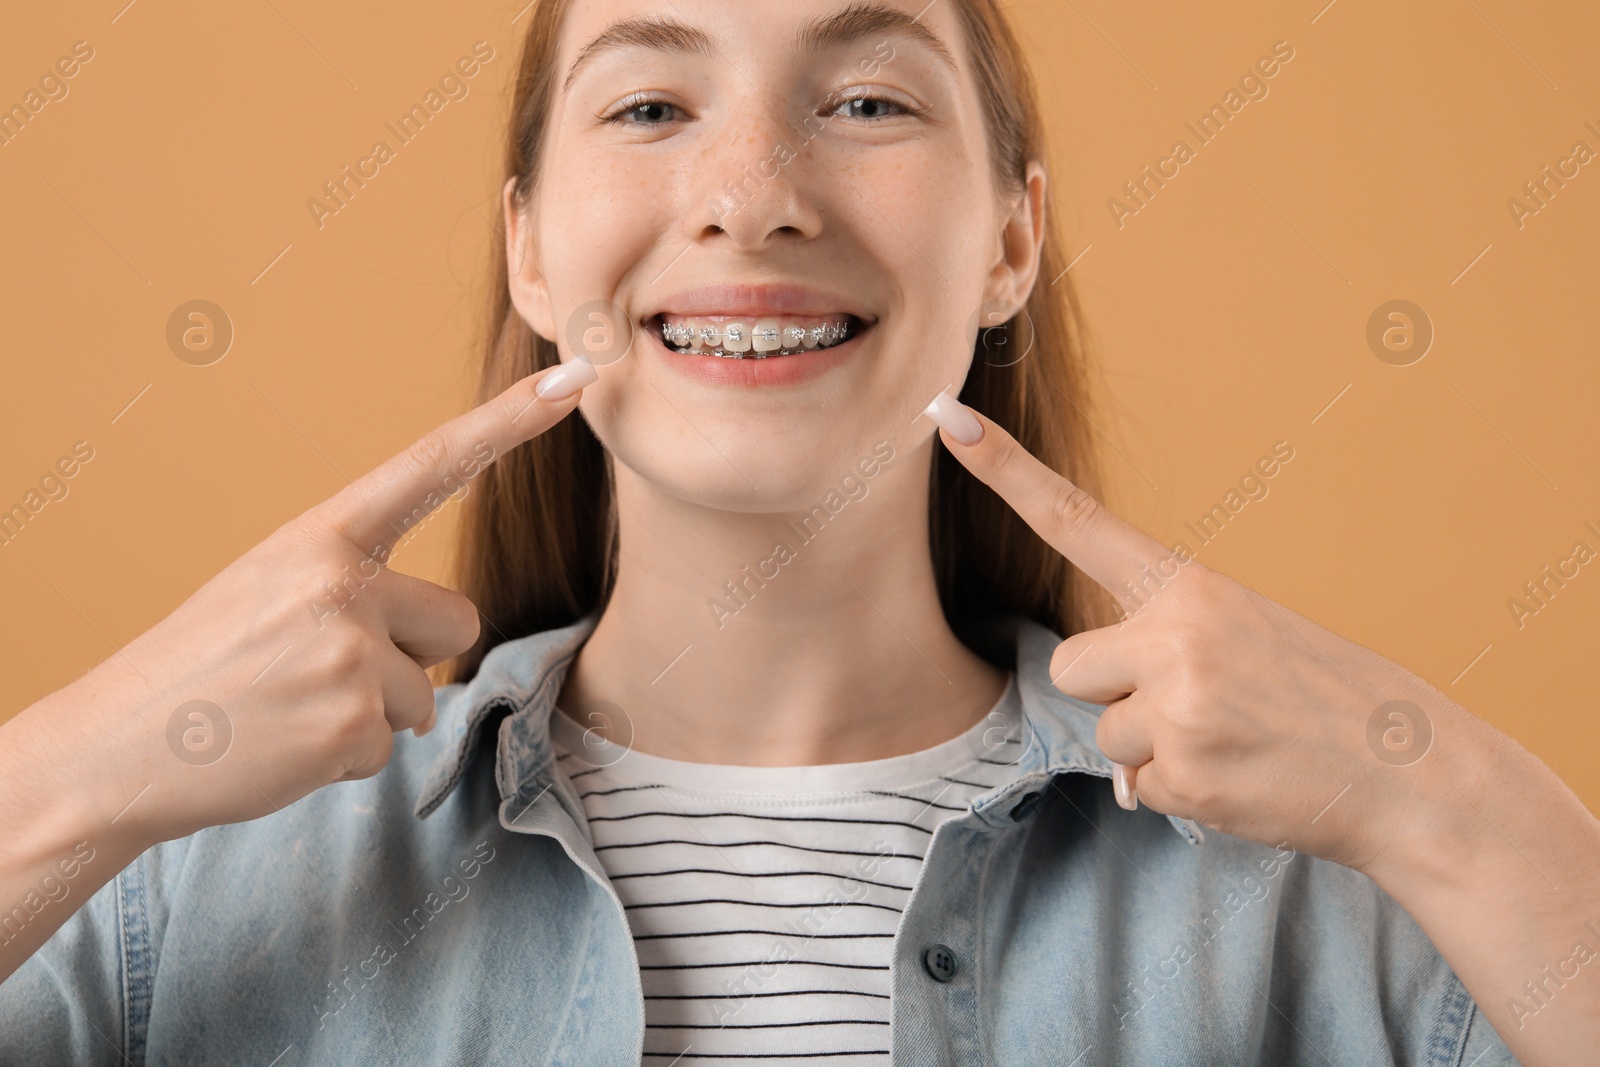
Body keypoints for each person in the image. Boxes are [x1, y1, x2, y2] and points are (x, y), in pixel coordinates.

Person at [2, 0, 1595, 1063]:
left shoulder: (1322, 890)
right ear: (531, 255)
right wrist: (75, 769)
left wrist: (1443, 793)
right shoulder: (174, 880)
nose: (752, 194)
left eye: (865, 99)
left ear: (1012, 242)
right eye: (646, 103)